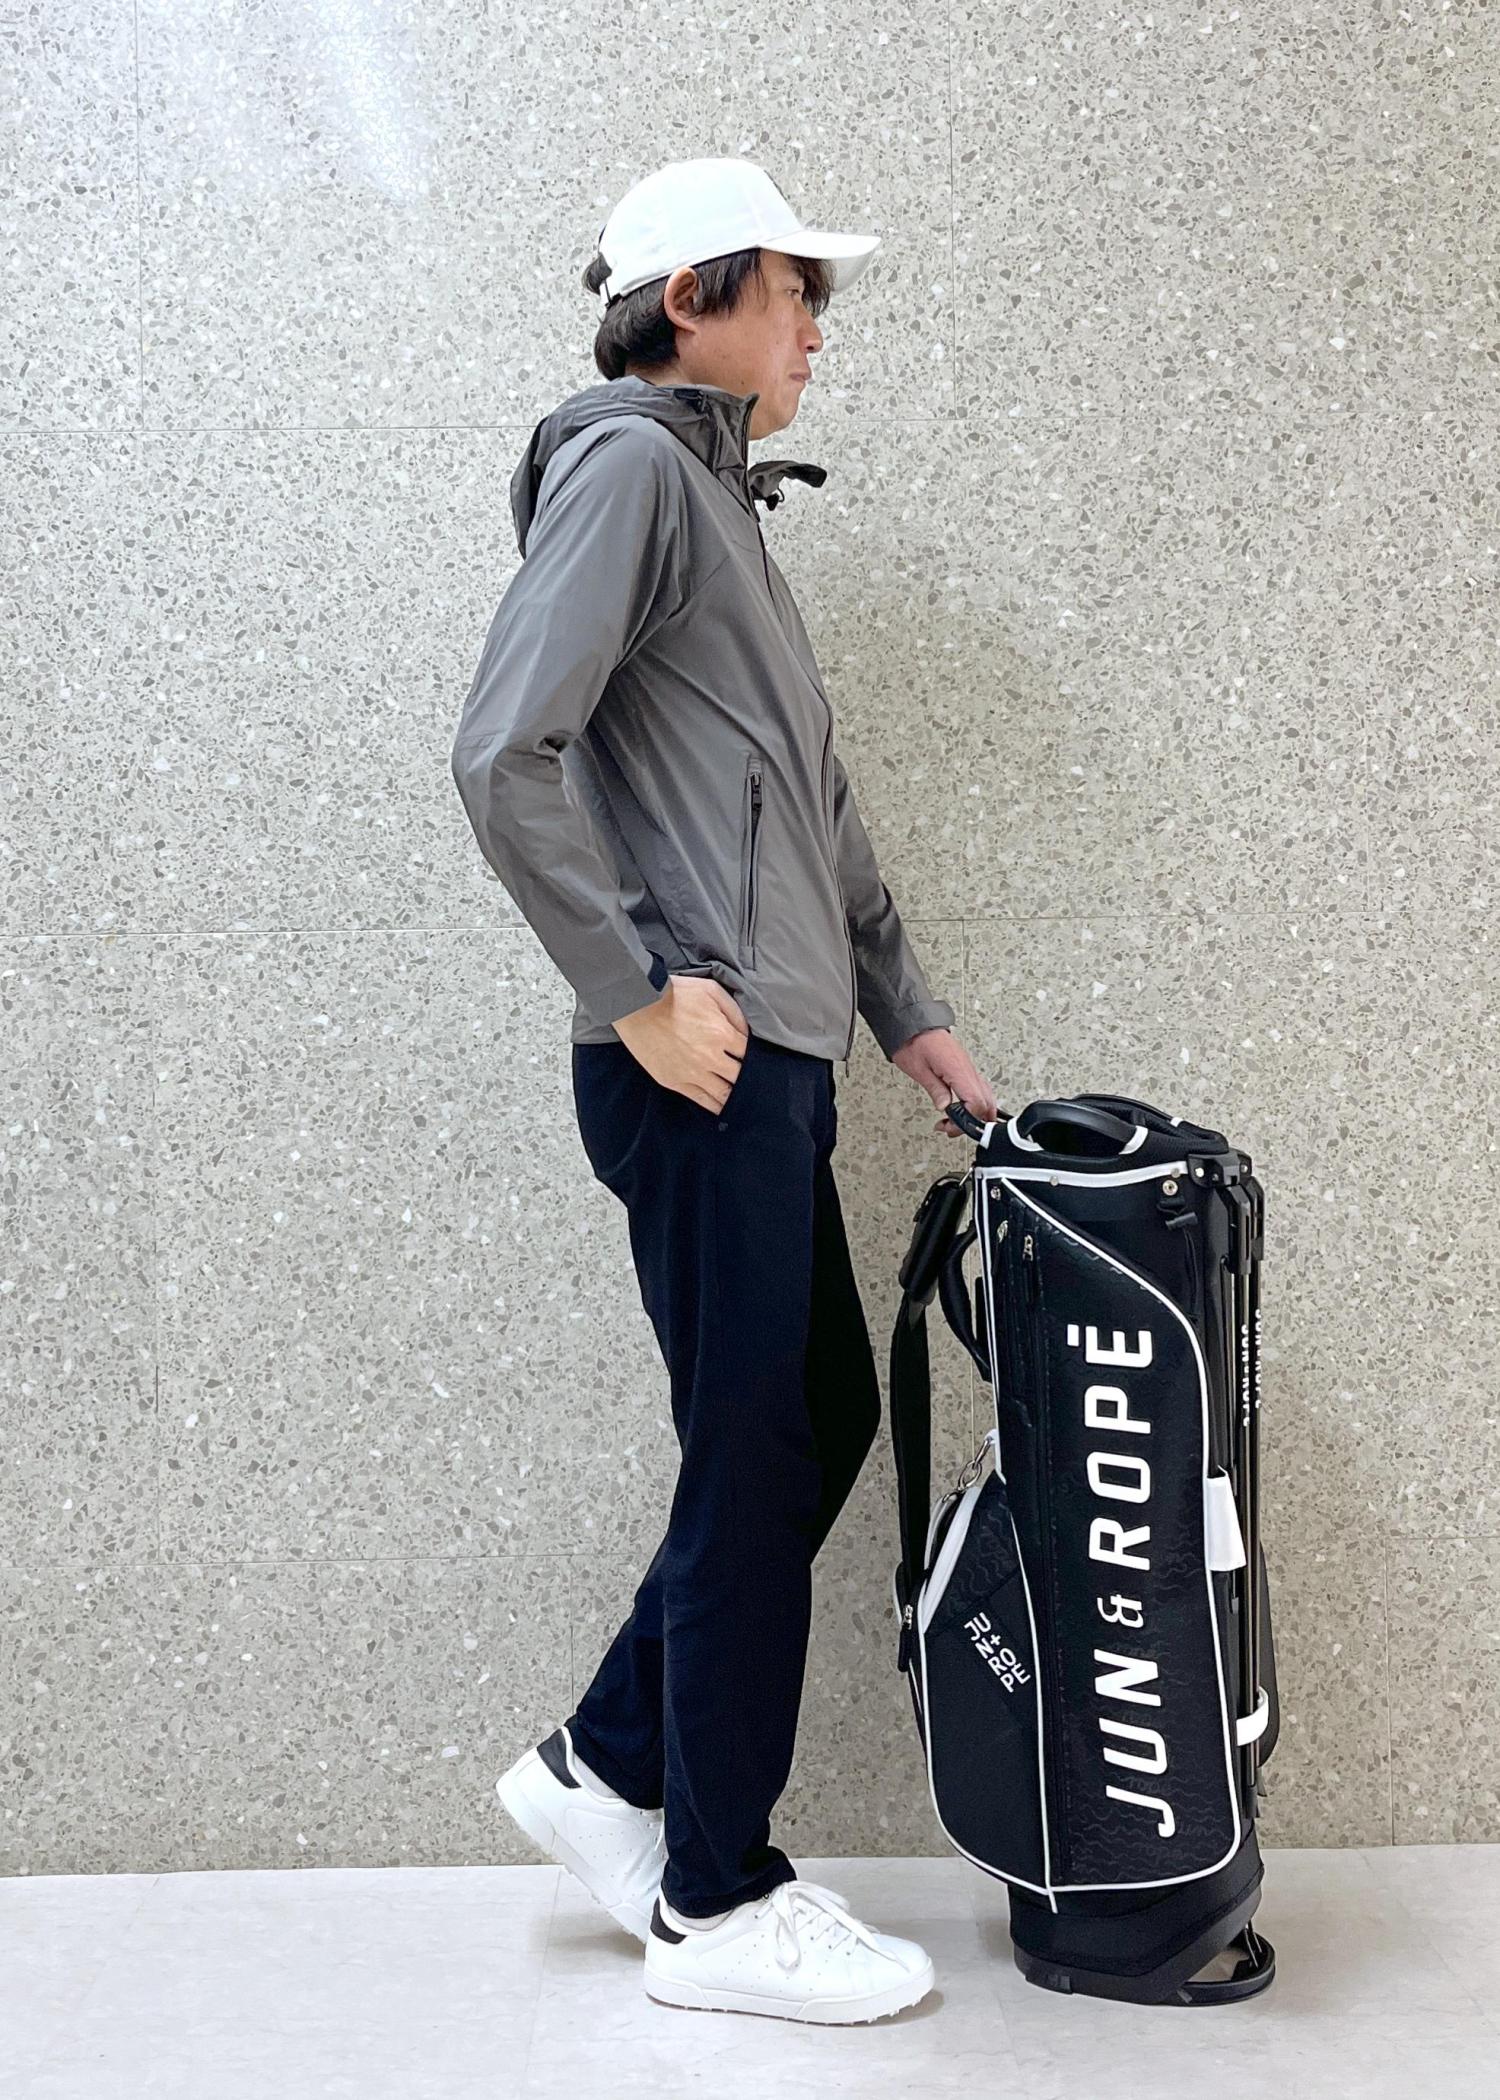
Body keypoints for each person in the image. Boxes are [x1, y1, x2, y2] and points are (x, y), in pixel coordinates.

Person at [451, 157, 998, 2025]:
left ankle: (605, 1766)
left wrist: (909, 1015)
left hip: (775, 1053)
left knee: (809, 1414)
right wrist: (633, 997)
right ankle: (717, 1895)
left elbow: (812, 807)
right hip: (702, 1061)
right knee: (757, 1447)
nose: (816, 327)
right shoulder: (627, 470)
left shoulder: (715, 503)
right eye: (792, 291)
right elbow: (504, 751)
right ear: (692, 300)